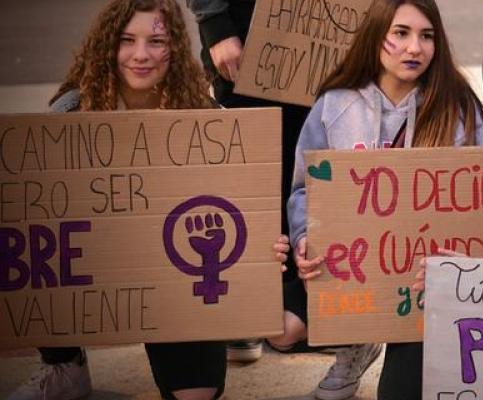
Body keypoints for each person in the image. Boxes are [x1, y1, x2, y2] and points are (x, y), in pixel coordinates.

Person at [9, 1, 225, 399]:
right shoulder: (71, 113)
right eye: (127, 40)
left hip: (172, 275)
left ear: (174, 49)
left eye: (156, 41)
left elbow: (238, 203)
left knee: (196, 395)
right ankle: (64, 363)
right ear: (108, 45)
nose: (141, 54)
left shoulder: (204, 117)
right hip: (98, 264)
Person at [285, 0, 483, 399]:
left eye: (426, 36)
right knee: (281, 328)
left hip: (425, 281)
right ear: (376, 37)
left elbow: (482, 205)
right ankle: (355, 346)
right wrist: (303, 239)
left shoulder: (459, 108)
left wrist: (461, 263)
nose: (415, 48)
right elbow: (302, 190)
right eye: (401, 33)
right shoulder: (334, 105)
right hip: (351, 269)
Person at [184, 0, 312, 364]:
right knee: (249, 165)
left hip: (325, 30)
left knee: (308, 160)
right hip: (244, 28)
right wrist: (215, 24)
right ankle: (245, 306)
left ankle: (295, 307)